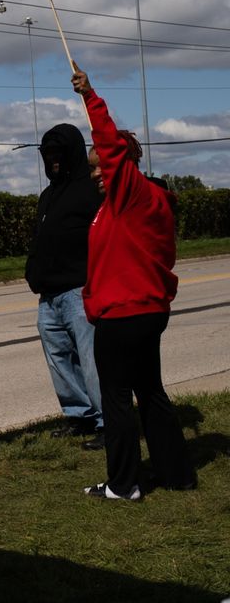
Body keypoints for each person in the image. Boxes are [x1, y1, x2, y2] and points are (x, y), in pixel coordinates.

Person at [71, 67, 197, 500]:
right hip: (142, 310)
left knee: (117, 398)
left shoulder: (132, 192)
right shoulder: (134, 202)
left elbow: (108, 143)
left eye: (99, 165)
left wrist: (90, 96)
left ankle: (124, 485)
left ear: (122, 163)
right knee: (151, 392)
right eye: (91, 168)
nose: (95, 174)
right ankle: (177, 473)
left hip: (124, 314)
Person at [25, 123, 105, 450]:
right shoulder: (48, 195)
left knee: (92, 360)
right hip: (49, 297)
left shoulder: (91, 189)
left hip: (80, 290)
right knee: (59, 359)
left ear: (71, 152)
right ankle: (79, 415)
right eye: (48, 155)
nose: (53, 161)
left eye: (58, 154)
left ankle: (108, 421)